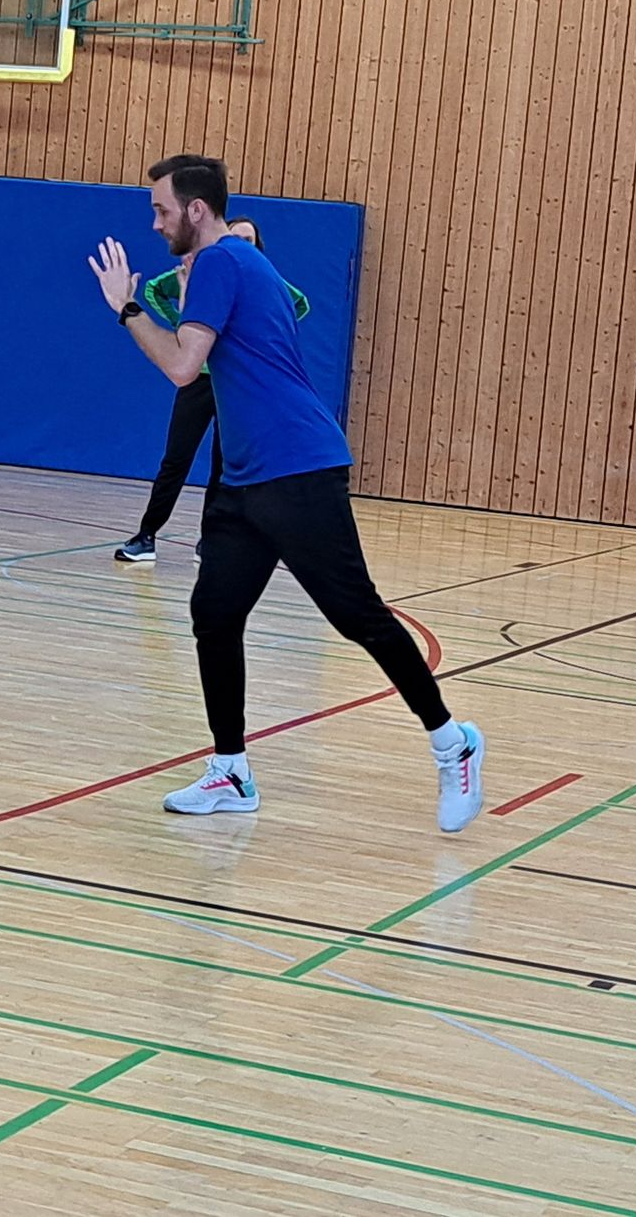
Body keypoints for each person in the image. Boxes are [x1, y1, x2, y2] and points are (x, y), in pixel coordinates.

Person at [88, 154, 485, 833]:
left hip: (296, 467)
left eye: (161, 209)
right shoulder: (235, 266)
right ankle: (231, 771)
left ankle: (453, 744)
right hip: (245, 477)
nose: (154, 223)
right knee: (215, 614)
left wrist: (126, 307)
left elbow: (183, 367)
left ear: (195, 209)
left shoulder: (221, 262)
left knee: (356, 615)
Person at [115, 218, 307, 564]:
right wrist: (180, 322)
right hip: (199, 380)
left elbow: (299, 304)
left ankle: (210, 541)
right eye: (236, 237)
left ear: (258, 247)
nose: (241, 243)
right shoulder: (207, 272)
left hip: (232, 383)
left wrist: (259, 334)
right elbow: (155, 290)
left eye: (248, 239)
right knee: (176, 459)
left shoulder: (262, 278)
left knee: (222, 466)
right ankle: (146, 535)